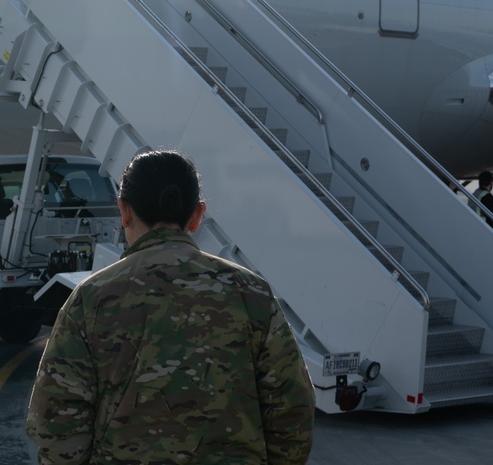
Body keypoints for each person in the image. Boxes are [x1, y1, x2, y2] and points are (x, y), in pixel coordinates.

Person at [26, 149, 315, 464]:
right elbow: (292, 407)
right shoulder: (251, 293)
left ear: (124, 210)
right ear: (198, 214)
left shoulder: (90, 298)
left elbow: (56, 420)